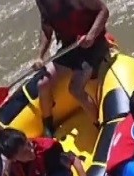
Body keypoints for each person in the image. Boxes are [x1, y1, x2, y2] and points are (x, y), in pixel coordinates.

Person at [33, 0, 111, 129]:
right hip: (70, 48)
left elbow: (103, 10)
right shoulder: (41, 2)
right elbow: (46, 29)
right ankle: (48, 126)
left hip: (94, 46)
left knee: (75, 89)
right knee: (42, 84)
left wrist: (91, 36)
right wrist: (40, 56)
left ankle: (98, 125)